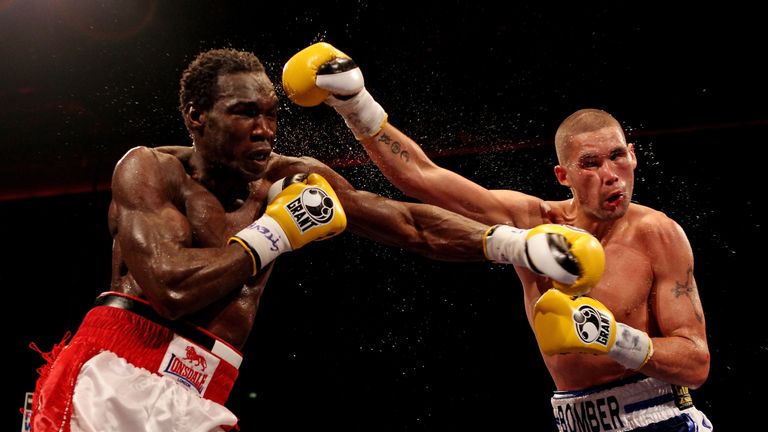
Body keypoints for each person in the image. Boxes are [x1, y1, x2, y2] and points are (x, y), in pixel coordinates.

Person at [29, 48, 604, 431]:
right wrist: (276, 233)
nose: (264, 129)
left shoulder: (291, 176)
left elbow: (408, 223)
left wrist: (511, 245)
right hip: (115, 373)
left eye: (271, 115)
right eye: (243, 113)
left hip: (205, 385)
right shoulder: (150, 171)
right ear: (195, 116)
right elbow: (172, 289)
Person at [283, 42, 713, 431]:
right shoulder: (533, 221)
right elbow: (422, 177)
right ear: (563, 175)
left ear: (633, 157)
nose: (609, 175)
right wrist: (355, 103)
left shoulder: (658, 234)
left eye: (618, 156)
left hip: (660, 419)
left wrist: (612, 337)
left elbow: (696, 363)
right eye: (590, 163)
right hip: (575, 421)